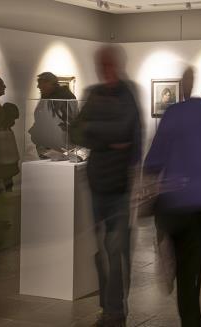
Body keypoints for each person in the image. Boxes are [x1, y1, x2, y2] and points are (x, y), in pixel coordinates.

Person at [144, 67, 201, 327]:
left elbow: (155, 157)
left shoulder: (172, 113)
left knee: (187, 267)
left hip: (180, 201)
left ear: (182, 88)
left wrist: (150, 178)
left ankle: (193, 318)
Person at [69, 45, 142, 327]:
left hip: (121, 184)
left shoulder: (128, 93)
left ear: (118, 64)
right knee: (103, 251)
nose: (106, 68)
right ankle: (110, 306)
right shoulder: (93, 94)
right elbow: (75, 131)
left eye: (110, 63)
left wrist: (96, 131)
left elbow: (127, 130)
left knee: (116, 249)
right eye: (102, 64)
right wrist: (106, 139)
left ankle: (115, 311)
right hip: (98, 181)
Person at [29, 71, 77, 159]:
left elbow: (68, 122)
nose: (38, 86)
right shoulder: (47, 97)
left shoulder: (64, 98)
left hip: (59, 146)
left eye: (41, 83)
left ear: (49, 83)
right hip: (48, 145)